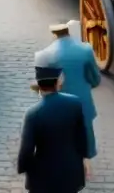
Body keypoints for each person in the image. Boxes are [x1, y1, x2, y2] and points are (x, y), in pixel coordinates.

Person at [17, 50, 89, 193]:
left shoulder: (33, 114)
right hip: (70, 173)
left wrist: (22, 167)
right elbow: (82, 138)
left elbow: (27, 150)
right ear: (57, 82)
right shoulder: (75, 103)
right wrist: (83, 160)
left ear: (39, 84)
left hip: (43, 178)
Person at [37, 21, 101, 160]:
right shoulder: (85, 49)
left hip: (58, 103)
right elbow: (95, 78)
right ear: (69, 32)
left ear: (54, 35)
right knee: (85, 130)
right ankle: (86, 159)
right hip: (82, 101)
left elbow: (43, 87)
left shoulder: (45, 54)